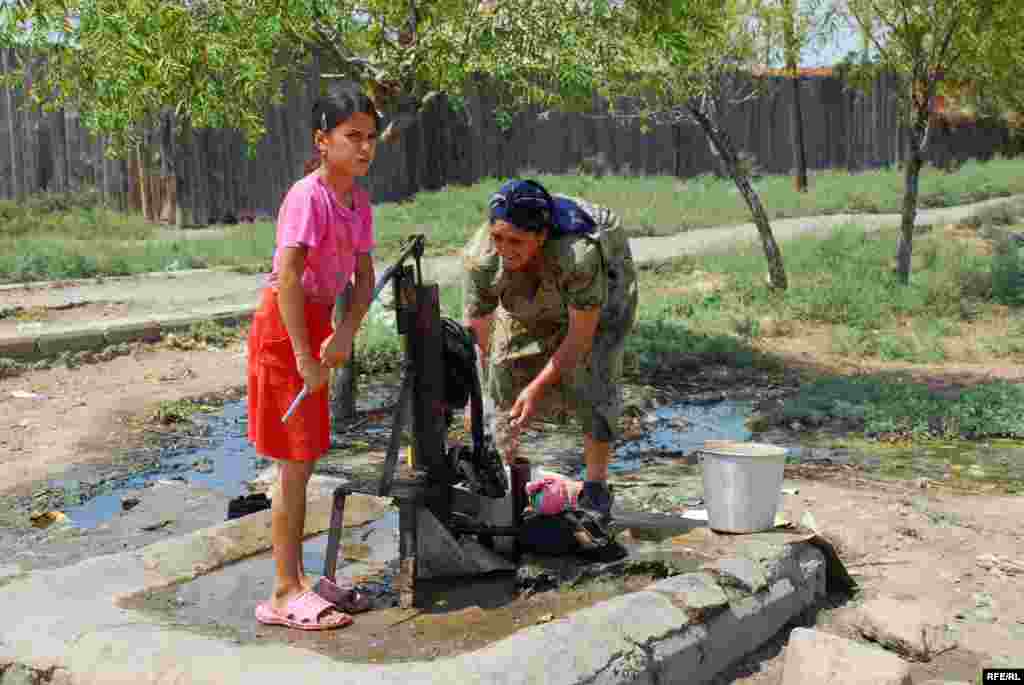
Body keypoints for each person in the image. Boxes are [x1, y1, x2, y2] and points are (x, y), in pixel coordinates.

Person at [247, 81, 379, 631]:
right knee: (293, 466)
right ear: (322, 140)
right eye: (353, 137)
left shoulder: (358, 200)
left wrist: (346, 329)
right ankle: (282, 591)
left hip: (321, 321)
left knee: (306, 458)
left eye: (372, 138)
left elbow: (366, 277)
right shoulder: (308, 196)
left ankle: (301, 582)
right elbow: (288, 279)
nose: (365, 147)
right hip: (285, 329)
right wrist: (305, 353)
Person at [462, 179, 638, 523]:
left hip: (603, 271)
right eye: (498, 237)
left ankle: (596, 487)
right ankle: (508, 478)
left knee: (596, 368)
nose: (505, 248)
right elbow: (480, 338)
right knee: (503, 364)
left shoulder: (579, 254)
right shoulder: (482, 260)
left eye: (516, 241)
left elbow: (580, 340)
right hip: (537, 273)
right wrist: (478, 396)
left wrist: (538, 387)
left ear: (540, 237)